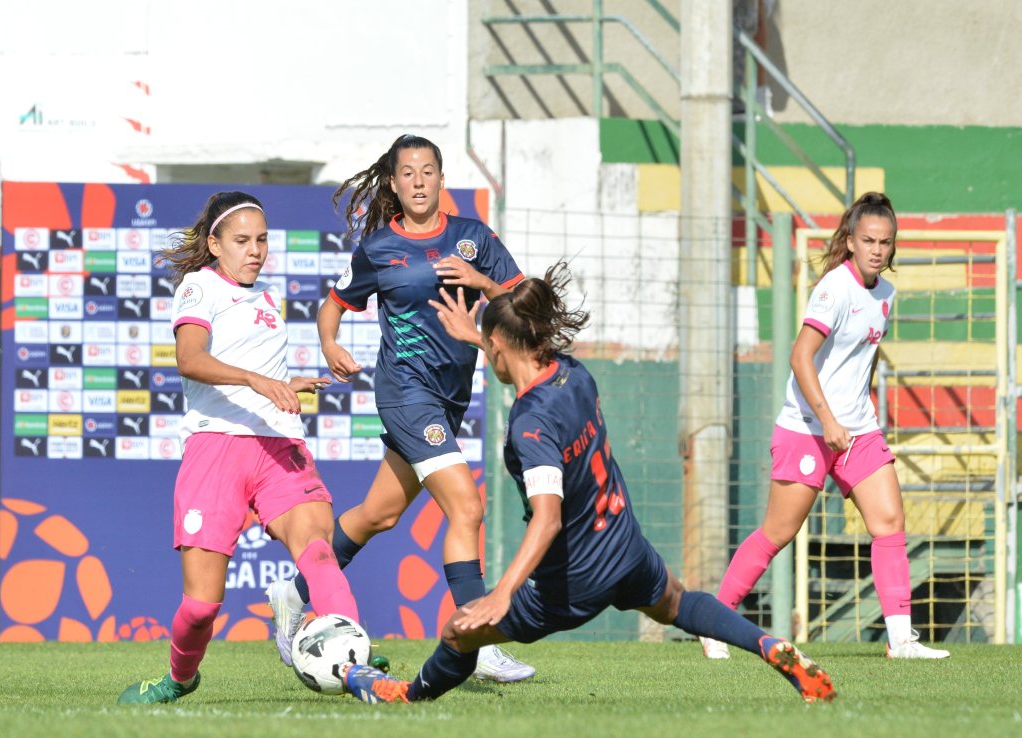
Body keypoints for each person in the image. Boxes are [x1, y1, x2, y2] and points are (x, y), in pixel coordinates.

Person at [335, 263, 837, 705]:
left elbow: (549, 517)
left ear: (504, 346)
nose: (488, 354)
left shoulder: (530, 425)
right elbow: (519, 332)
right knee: (680, 604)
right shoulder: (573, 373)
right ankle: (769, 646)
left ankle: (405, 694)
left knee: (459, 632)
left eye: (490, 347)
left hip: (574, 578)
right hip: (624, 545)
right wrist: (483, 323)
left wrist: (503, 592)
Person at [265, 134, 535, 682]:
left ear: (441, 179)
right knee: (466, 508)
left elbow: (522, 301)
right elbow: (334, 304)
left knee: (379, 514)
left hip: (451, 397)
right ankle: (477, 641)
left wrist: (483, 283)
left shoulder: (472, 238)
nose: (417, 181)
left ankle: (291, 594)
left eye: (428, 171)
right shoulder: (380, 248)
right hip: (405, 393)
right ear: (393, 182)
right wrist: (330, 344)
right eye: (407, 173)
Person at [118, 192, 360, 704]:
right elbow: (190, 359)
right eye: (242, 241)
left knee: (319, 551)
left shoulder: (269, 298)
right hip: (216, 447)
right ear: (214, 244)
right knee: (202, 606)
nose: (256, 251)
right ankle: (179, 678)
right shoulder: (199, 286)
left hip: (278, 446)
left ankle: (352, 658)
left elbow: (256, 372)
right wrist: (256, 380)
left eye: (263, 240)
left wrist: (286, 383)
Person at [701, 192, 950, 661]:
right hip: (807, 428)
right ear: (851, 242)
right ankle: (713, 621)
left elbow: (865, 360)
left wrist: (859, 415)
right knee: (778, 532)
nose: (877, 249)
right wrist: (829, 420)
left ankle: (902, 641)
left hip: (857, 430)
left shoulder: (887, 295)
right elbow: (800, 357)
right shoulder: (834, 288)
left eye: (886, 242)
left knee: (890, 522)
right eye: (868, 240)